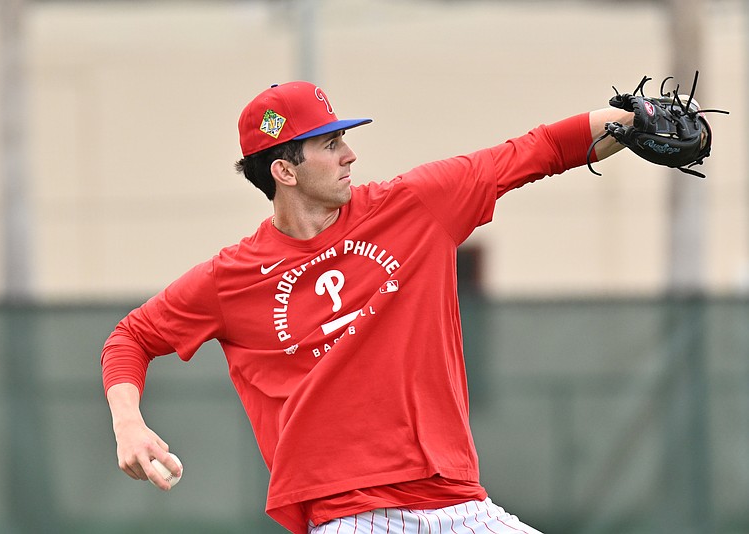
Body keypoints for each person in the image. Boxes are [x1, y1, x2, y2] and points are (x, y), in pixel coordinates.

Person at [101, 80, 632, 533]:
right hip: (351, 512)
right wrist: (129, 424)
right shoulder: (231, 278)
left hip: (458, 502)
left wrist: (631, 121)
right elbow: (132, 337)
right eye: (330, 144)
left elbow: (534, 151)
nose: (349, 154)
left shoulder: (413, 205)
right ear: (284, 171)